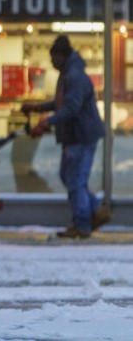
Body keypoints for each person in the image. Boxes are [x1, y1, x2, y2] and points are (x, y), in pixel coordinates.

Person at [21, 34, 111, 239]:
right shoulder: (68, 74)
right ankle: (96, 210)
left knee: (75, 181)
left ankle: (82, 225)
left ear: (62, 56)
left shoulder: (74, 77)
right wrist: (38, 108)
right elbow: (61, 103)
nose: (52, 62)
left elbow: (70, 108)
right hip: (74, 136)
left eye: (53, 58)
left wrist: (45, 122)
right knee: (69, 177)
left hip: (81, 135)